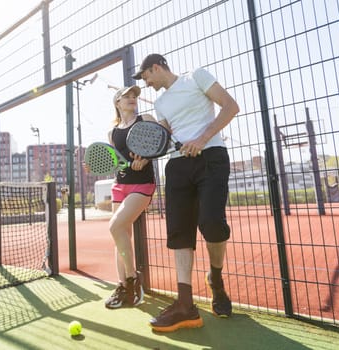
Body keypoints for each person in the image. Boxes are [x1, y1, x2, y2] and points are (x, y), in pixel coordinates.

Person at [132, 54, 239, 332]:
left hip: (212, 156)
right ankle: (185, 304)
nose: (146, 83)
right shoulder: (160, 102)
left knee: (212, 224)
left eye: (146, 76)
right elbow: (164, 137)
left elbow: (230, 106)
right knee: (179, 232)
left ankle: (216, 279)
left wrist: (202, 139)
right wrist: (146, 156)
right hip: (178, 167)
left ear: (156, 67)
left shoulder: (197, 76)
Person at [99, 85, 157, 309]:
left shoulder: (146, 119)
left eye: (134, 96)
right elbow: (117, 159)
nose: (132, 99)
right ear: (117, 103)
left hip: (142, 185)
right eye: (127, 96)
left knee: (115, 227)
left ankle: (133, 280)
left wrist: (147, 158)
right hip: (119, 185)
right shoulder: (112, 132)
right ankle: (123, 286)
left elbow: (162, 141)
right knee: (119, 235)